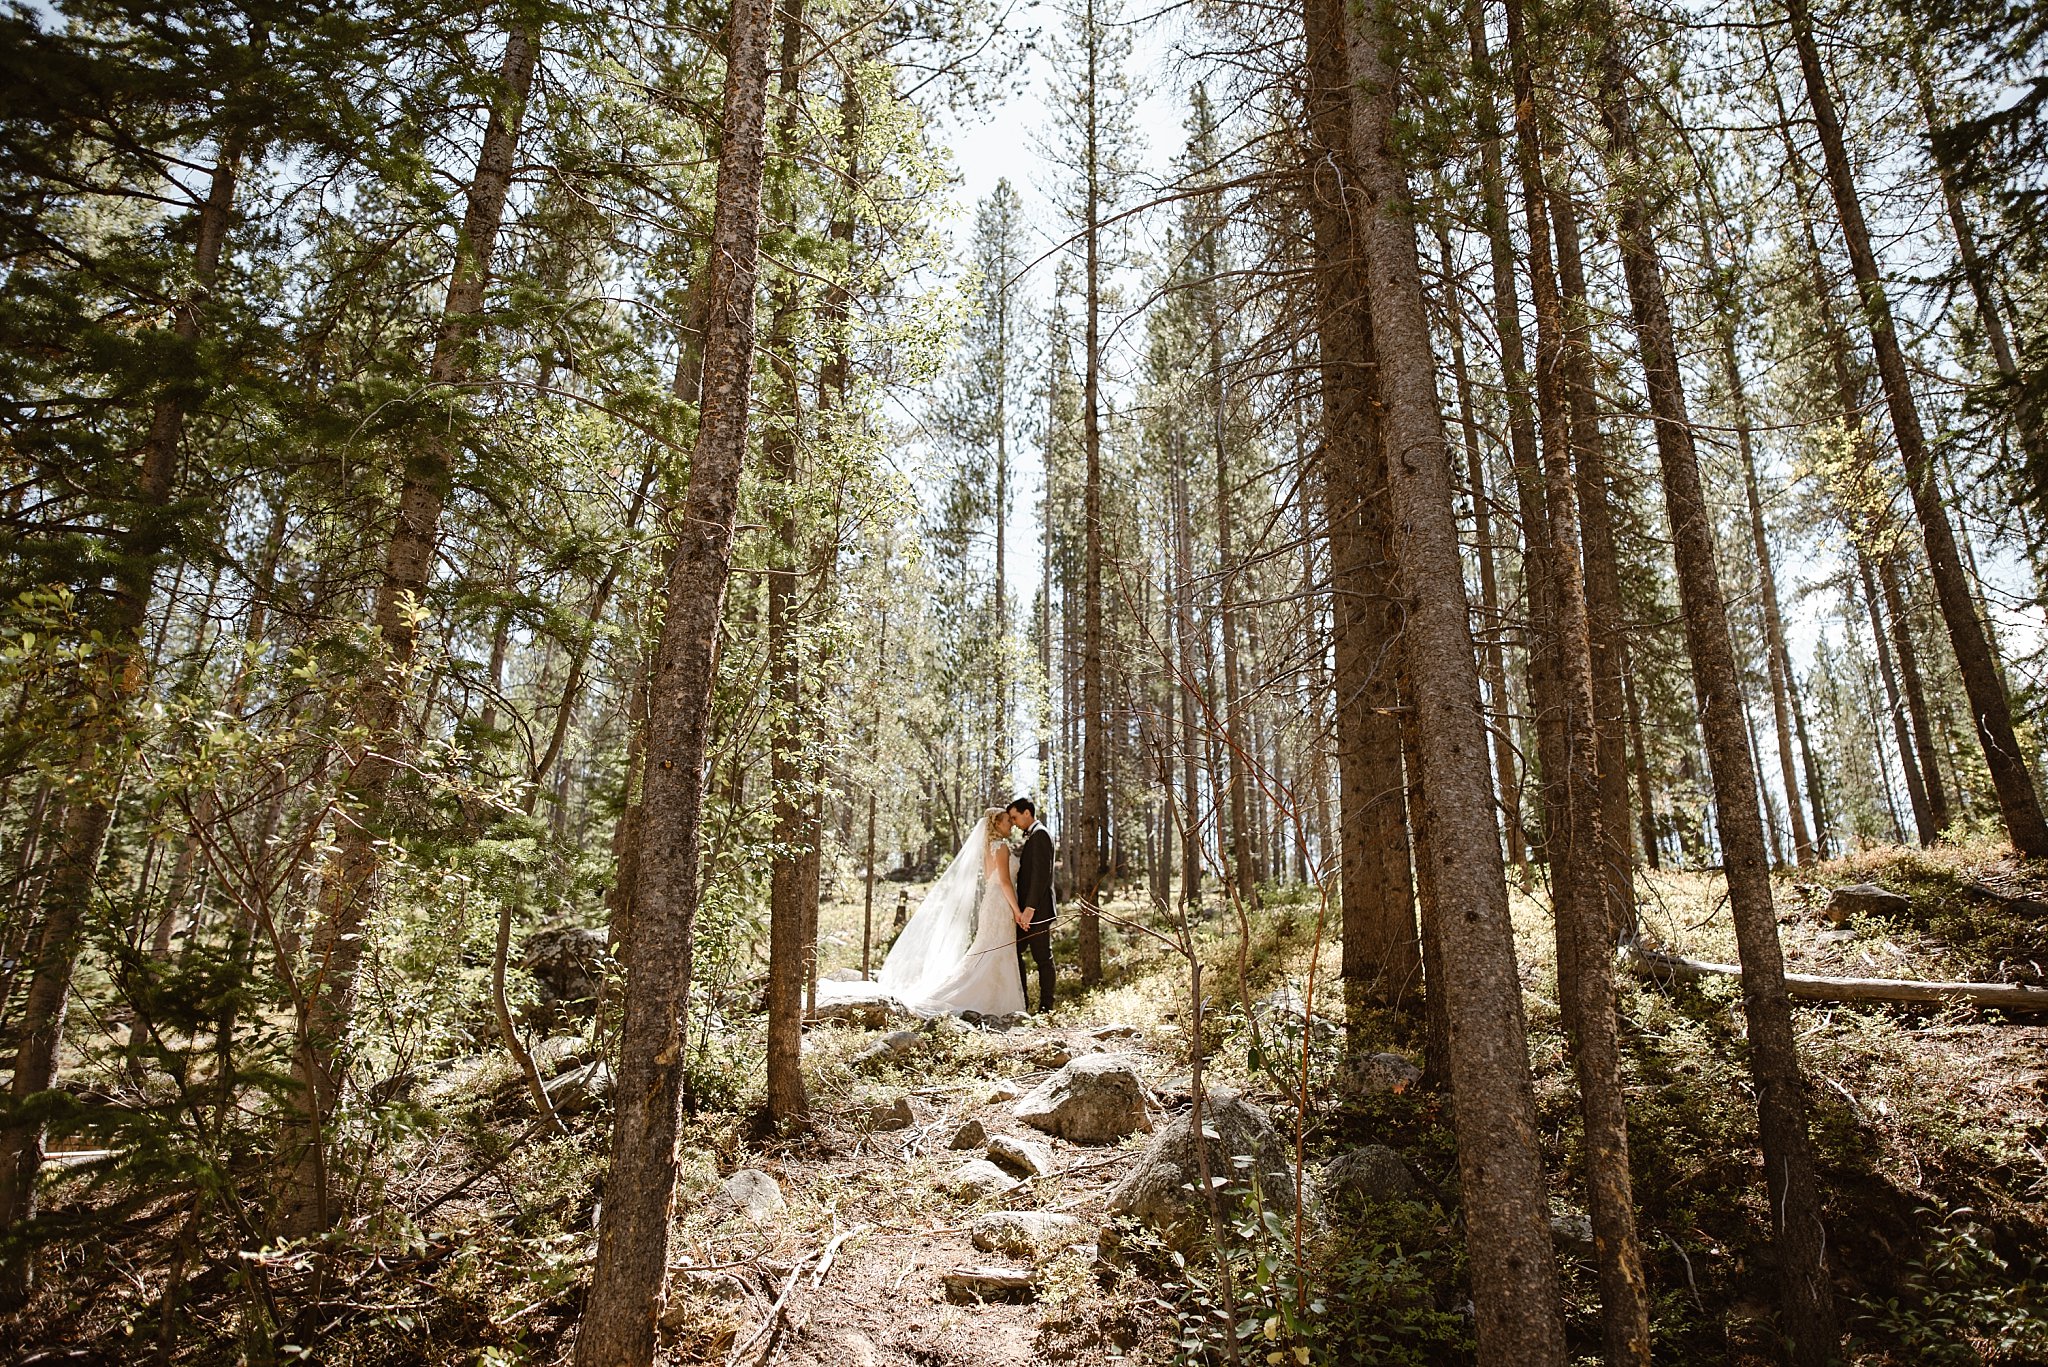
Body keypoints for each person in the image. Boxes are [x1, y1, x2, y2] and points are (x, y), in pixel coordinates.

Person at [870, 807, 1026, 1018]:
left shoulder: (988, 847)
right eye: (1007, 820)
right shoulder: (1002, 847)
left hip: (992, 901)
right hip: (1001, 903)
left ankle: (990, 999)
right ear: (997, 824)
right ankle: (995, 1003)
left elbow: (992, 879)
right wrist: (1017, 911)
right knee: (997, 949)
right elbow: (1005, 882)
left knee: (987, 949)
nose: (1011, 824)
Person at [1008, 797, 1055, 1013]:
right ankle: (1022, 1003)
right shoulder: (1034, 836)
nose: (1014, 823)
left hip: (1038, 911)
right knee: (1015, 952)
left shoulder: (1040, 834)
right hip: (1028, 911)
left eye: (1015, 817)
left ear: (1027, 813)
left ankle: (1046, 1007)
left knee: (1043, 958)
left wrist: (1029, 909)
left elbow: (1040, 876)